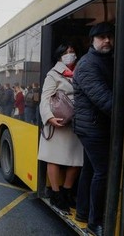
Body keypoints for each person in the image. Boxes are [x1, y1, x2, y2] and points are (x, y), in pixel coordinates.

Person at [73, 22, 115, 236]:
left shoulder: (105, 60)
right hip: (92, 128)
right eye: (102, 37)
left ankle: (82, 212)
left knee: (90, 170)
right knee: (103, 172)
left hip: (94, 126)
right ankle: (94, 223)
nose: (107, 40)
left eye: (110, 36)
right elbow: (105, 100)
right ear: (93, 41)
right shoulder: (88, 64)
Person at [38, 43, 83, 213]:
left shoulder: (80, 71)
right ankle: (56, 195)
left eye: (72, 51)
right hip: (58, 122)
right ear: (59, 56)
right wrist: (49, 118)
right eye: (66, 52)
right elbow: (45, 98)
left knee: (77, 160)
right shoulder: (53, 74)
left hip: (77, 122)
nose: (70, 54)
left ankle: (66, 192)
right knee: (54, 158)